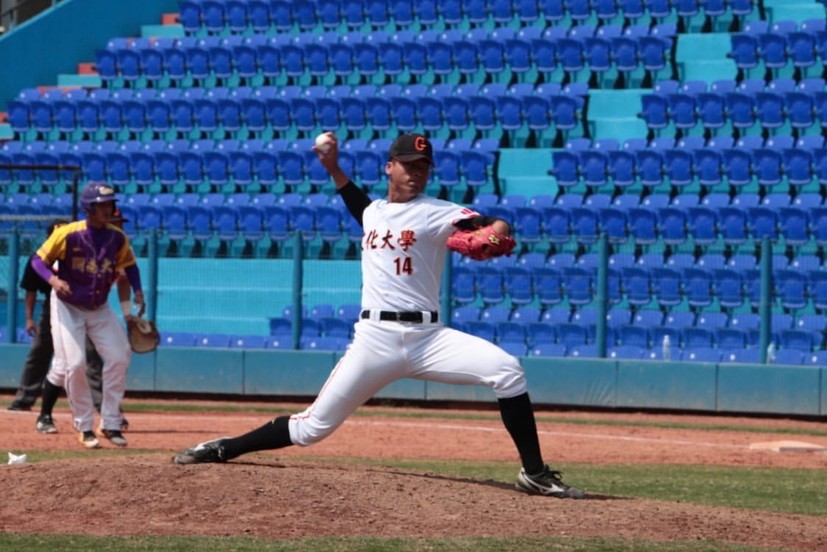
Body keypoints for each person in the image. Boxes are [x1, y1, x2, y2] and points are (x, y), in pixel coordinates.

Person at [174, 133, 583, 499]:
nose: (417, 173)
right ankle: (224, 447)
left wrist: (497, 230)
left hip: (429, 338)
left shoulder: (438, 211)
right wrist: (333, 168)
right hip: (376, 339)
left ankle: (534, 474)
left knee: (507, 371)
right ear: (390, 167)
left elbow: (489, 222)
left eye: (423, 167)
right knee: (310, 429)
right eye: (409, 165)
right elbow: (358, 203)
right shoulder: (373, 213)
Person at [31, 183, 144, 449]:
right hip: (68, 305)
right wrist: (53, 281)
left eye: (110, 204)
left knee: (119, 356)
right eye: (102, 205)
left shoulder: (117, 237)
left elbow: (130, 266)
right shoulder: (68, 233)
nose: (108, 209)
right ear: (89, 207)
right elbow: (37, 260)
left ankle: (110, 422)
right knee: (75, 364)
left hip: (99, 307)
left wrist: (138, 291)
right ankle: (84, 426)